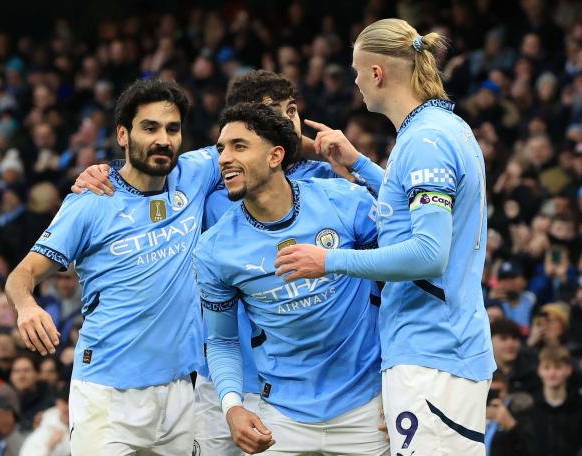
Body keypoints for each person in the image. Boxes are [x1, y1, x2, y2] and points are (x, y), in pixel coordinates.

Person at [72, 70, 381, 456]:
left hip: (317, 390)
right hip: (224, 381)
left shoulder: (330, 185)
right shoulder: (215, 185)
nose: (287, 122)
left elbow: (407, 235)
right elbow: (148, 172)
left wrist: (349, 159)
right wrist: (107, 173)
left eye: (291, 112)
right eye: (272, 114)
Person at [275, 19, 495, 455]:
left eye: (357, 72)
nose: (355, 83)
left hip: (432, 352)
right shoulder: (443, 128)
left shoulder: (424, 141)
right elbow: (410, 215)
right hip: (444, 347)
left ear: (376, 73)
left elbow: (429, 253)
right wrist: (361, 165)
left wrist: (330, 262)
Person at [5, 78, 220, 454]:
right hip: (107, 394)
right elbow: (21, 275)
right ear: (123, 134)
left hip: (179, 391)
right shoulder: (91, 200)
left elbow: (258, 144)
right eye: (149, 127)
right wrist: (26, 306)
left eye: (172, 129)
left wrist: (325, 149)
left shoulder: (196, 173)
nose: (163, 139)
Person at [193, 103, 387, 455]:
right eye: (221, 148)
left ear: (275, 156)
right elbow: (221, 340)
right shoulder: (215, 249)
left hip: (367, 411)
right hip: (281, 418)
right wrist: (232, 405)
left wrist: (398, 382)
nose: (223, 158)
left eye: (239, 146)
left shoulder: (344, 201)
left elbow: (402, 276)